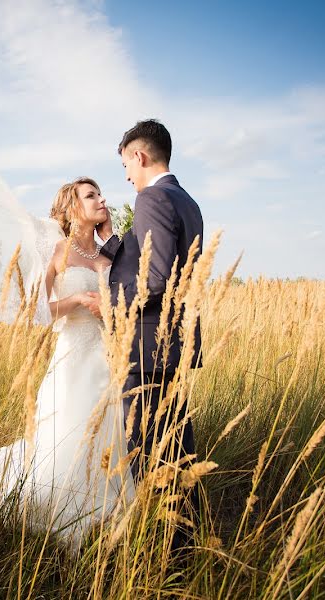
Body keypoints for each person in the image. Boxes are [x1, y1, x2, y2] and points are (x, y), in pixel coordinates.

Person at [0, 177, 135, 549]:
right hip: (70, 356)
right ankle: (64, 508)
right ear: (72, 208)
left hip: (105, 356)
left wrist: (111, 236)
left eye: (100, 193)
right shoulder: (57, 250)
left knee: (108, 432)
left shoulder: (106, 257)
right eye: (91, 195)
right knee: (69, 430)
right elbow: (35, 310)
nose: (102, 199)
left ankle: (109, 508)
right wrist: (78, 301)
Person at [88, 119, 204, 546]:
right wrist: (114, 242)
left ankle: (169, 552)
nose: (126, 177)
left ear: (139, 156)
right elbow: (160, 260)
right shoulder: (184, 199)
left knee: (149, 453)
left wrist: (109, 304)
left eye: (126, 166)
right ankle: (186, 541)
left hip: (147, 347)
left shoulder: (151, 196)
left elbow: (154, 278)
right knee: (177, 451)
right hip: (173, 344)